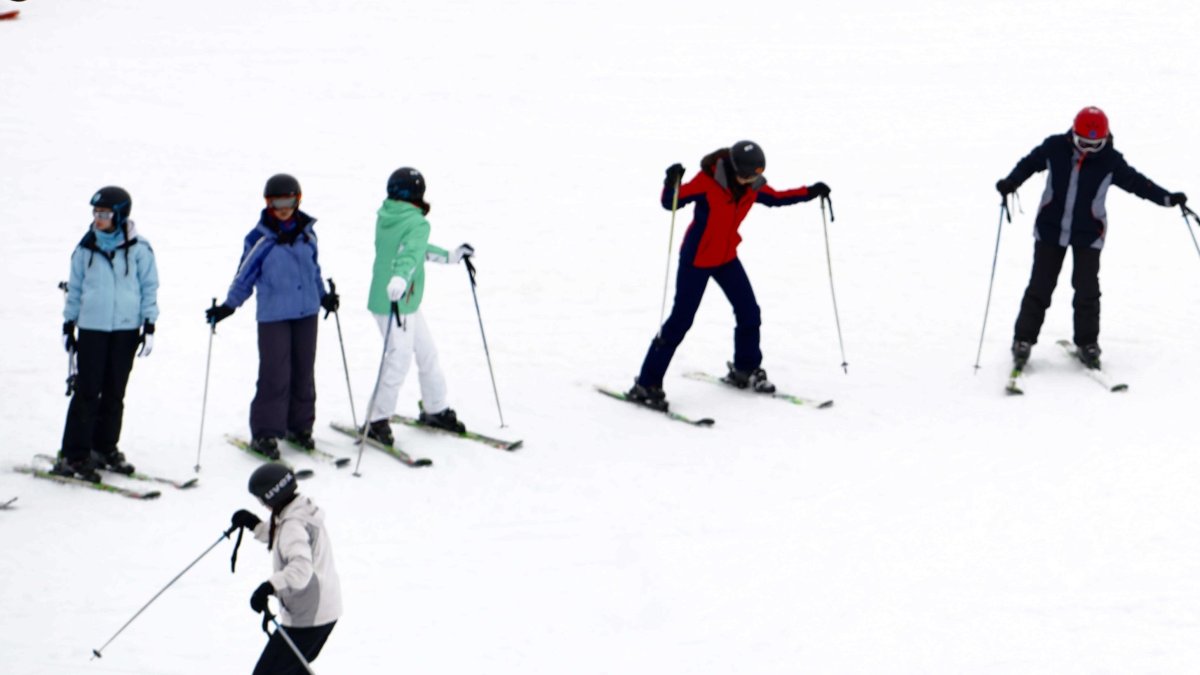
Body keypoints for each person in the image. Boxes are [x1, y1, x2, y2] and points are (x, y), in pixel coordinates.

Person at [627, 140, 830, 410]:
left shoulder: (752, 186)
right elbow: (670, 203)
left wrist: (811, 192)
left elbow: (777, 198)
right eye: (747, 176)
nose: (751, 182)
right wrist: (671, 182)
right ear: (734, 168)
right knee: (680, 321)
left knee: (749, 312)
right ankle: (646, 383)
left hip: (726, 258)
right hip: (697, 259)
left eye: (755, 177)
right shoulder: (707, 182)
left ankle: (745, 368)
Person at [996, 106, 1186, 369]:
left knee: (1087, 290)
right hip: (1050, 229)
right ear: (1073, 134)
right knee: (1040, 286)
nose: (1088, 149)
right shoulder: (1055, 147)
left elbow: (1138, 184)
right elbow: (1028, 164)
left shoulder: (1110, 161)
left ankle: (1087, 343)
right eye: (1083, 143)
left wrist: (1167, 198)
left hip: (1089, 233)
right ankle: (1023, 340)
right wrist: (1011, 182)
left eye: (1095, 145)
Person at [205, 174, 339, 458]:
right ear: (268, 203)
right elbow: (244, 275)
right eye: (277, 202)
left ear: (297, 200)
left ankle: (299, 427)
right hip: (274, 316)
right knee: (275, 373)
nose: (283, 208)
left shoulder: (308, 234)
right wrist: (229, 306)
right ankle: (264, 433)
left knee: (304, 371)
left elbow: (314, 271)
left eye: (289, 201)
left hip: (307, 312)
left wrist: (324, 296)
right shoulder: (260, 238)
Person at [361, 167, 474, 445]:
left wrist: (451, 256)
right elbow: (409, 255)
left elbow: (413, 248)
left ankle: (436, 408)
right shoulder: (416, 222)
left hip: (401, 300)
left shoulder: (387, 215)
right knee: (398, 359)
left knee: (427, 353)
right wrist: (400, 277)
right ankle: (376, 420)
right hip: (396, 301)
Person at [55, 186, 159, 482]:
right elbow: (75, 289)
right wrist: (68, 324)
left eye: (104, 214)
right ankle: (74, 454)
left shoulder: (140, 249)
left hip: (126, 329)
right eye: (96, 213)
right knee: (87, 391)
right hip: (92, 329)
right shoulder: (85, 248)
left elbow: (149, 287)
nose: (98, 219)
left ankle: (104, 448)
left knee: (114, 392)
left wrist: (149, 325)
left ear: (120, 215)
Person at [231, 463, 341, 675]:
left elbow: (300, 569)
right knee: (291, 670)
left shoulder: (292, 525)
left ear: (271, 496)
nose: (262, 505)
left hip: (309, 618)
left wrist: (269, 587)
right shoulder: (300, 510)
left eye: (261, 500)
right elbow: (284, 537)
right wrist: (255, 525)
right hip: (322, 611)